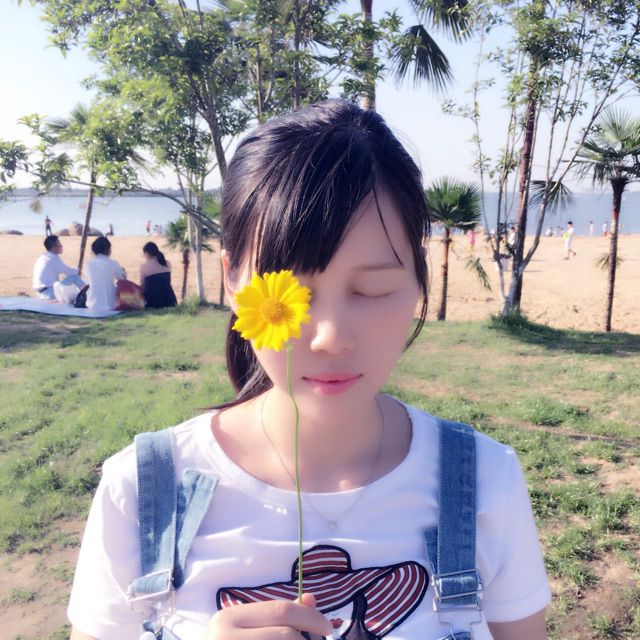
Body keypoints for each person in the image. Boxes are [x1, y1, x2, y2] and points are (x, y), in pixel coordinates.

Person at [67, 101, 550, 640]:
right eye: (292, 295)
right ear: (233, 280)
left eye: (372, 289)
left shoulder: (485, 481)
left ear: (417, 280)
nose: (330, 337)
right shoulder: (142, 492)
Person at [32, 235, 85, 300]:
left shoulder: (43, 257)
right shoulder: (53, 258)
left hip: (40, 293)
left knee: (66, 282)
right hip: (49, 293)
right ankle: (87, 294)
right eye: (60, 245)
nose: (61, 246)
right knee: (75, 277)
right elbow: (70, 272)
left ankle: (82, 294)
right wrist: (78, 269)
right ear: (54, 247)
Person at [85, 236, 126, 312]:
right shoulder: (113, 263)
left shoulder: (89, 264)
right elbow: (123, 280)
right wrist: (123, 271)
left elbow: (89, 281)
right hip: (110, 304)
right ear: (108, 249)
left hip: (92, 303)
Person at [139, 241, 177, 308]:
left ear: (146, 253)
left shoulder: (144, 266)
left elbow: (143, 286)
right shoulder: (167, 263)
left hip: (153, 301)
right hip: (169, 299)